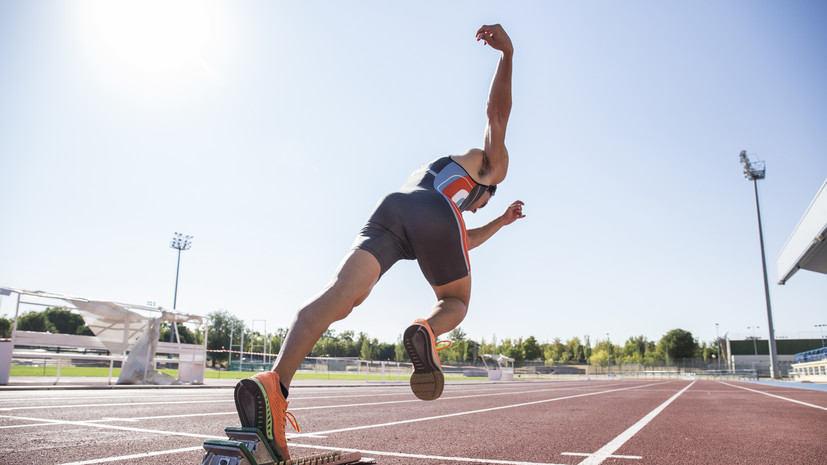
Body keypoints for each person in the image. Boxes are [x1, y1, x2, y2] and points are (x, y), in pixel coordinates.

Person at [233, 23, 523, 461]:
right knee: (457, 302)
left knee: (341, 296)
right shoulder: (489, 169)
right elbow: (496, 116)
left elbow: (462, 240)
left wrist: (499, 222)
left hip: (393, 208)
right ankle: (425, 330)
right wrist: (508, 56)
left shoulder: (442, 176)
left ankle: (275, 383)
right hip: (430, 216)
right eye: (481, 205)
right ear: (486, 185)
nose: (475, 209)